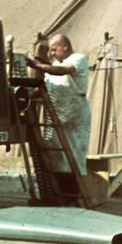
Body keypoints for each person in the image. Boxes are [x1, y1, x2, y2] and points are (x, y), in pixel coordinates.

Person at [28, 32, 91, 175]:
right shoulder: (55, 65)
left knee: (73, 155)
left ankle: (74, 191)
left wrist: (36, 65)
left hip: (74, 117)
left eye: (54, 49)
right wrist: (27, 93)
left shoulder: (78, 59)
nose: (52, 53)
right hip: (56, 117)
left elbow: (63, 71)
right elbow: (46, 87)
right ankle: (58, 189)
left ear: (65, 47)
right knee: (53, 152)